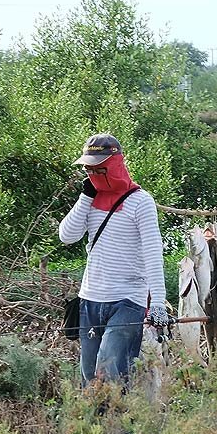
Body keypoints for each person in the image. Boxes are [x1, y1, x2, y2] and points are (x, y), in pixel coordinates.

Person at [58, 133, 168, 386]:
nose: (93, 173)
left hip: (128, 301)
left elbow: (153, 253)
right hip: (90, 299)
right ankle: (95, 426)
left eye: (99, 167)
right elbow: (67, 236)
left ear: (117, 163)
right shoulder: (90, 198)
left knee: (110, 372)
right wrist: (85, 197)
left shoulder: (141, 202)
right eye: (89, 168)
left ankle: (119, 426)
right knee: (89, 377)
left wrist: (159, 303)